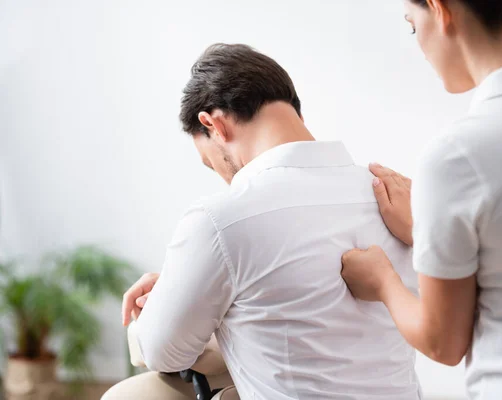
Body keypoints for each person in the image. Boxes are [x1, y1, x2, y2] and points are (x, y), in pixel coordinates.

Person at [103, 44, 422, 400]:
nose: (224, 178)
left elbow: (161, 351)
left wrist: (171, 292)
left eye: (213, 165)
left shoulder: (221, 218)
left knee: (136, 394)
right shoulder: (397, 199)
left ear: (213, 124)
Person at [341, 1, 502, 399]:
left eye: (413, 26)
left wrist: (382, 280)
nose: (420, 47)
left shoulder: (457, 154)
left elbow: (442, 342)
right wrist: (428, 231)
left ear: (440, 10)